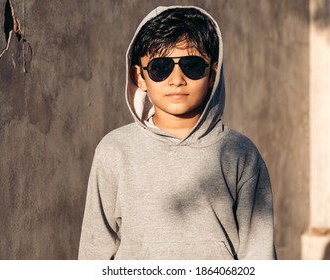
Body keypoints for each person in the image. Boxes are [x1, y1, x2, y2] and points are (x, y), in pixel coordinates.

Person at [78, 5, 276, 260]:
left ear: (212, 72)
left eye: (192, 66)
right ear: (140, 76)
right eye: (161, 67)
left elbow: (258, 251)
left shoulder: (240, 153)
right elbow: (96, 245)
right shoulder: (115, 149)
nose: (177, 79)